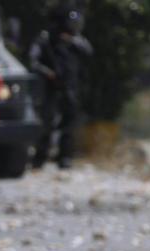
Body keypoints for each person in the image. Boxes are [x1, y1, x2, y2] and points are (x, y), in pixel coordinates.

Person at [29, 4, 93, 170]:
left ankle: (65, 158)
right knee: (47, 122)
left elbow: (88, 54)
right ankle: (40, 157)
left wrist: (72, 41)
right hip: (50, 88)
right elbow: (33, 61)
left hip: (70, 87)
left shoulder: (77, 41)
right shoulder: (46, 39)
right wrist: (48, 73)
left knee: (69, 124)